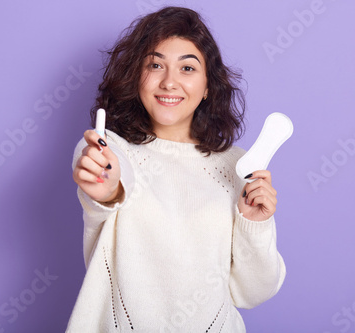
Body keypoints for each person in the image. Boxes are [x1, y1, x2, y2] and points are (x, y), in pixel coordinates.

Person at [66, 6, 285, 332]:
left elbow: (252, 292)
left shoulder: (236, 165)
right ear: (135, 76)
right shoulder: (110, 148)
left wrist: (254, 225)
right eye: (155, 65)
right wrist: (108, 189)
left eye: (187, 68)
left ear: (208, 85)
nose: (169, 82)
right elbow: (111, 176)